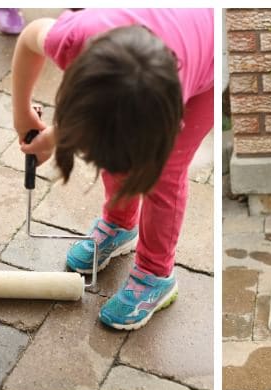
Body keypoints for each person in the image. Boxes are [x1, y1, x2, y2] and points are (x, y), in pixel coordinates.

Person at [11, 8, 214, 330]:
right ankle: (120, 224)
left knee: (163, 174)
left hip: (206, 63)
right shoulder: (74, 39)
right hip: (158, 46)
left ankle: (156, 274)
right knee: (119, 151)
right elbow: (29, 36)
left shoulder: (172, 95)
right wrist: (22, 113)